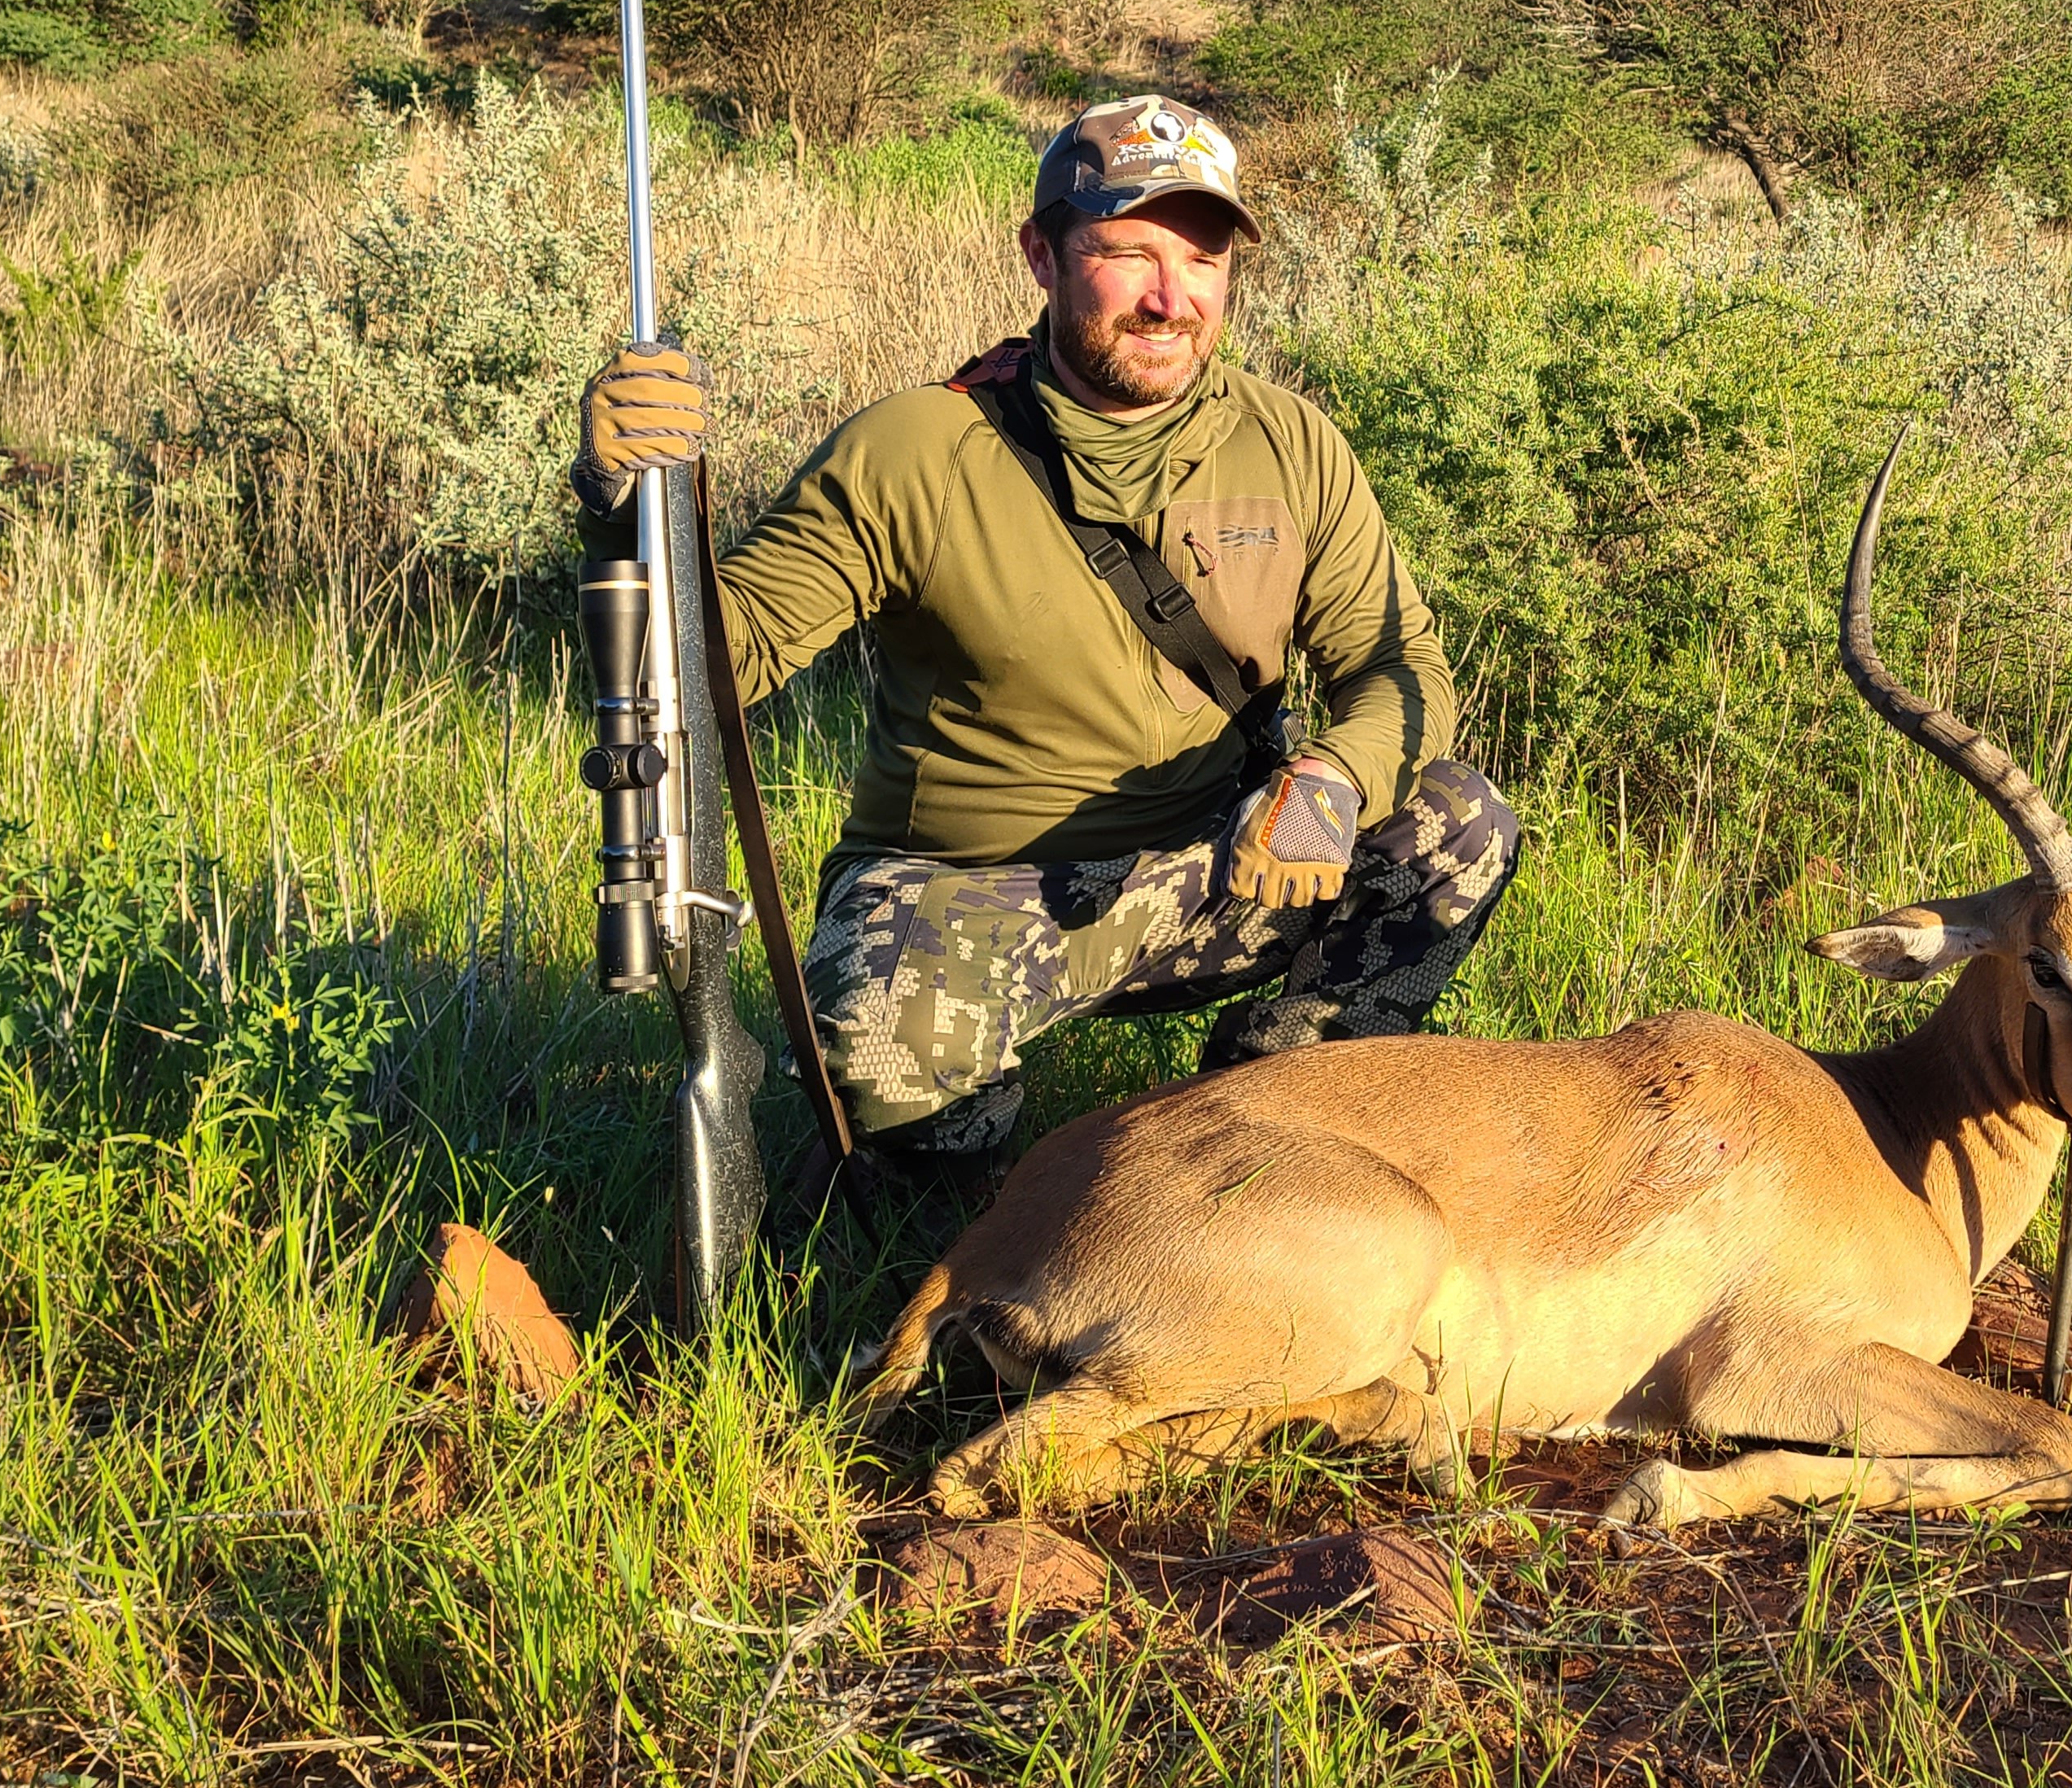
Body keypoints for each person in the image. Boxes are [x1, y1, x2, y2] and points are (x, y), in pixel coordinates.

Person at [574, 94, 1521, 1183]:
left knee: (1459, 824)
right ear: (1043, 254)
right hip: (983, 892)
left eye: (1204, 262)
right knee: (889, 1042)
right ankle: (956, 1211)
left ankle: (1274, 1123)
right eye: (1127, 253)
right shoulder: (914, 451)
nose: (1172, 300)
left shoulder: (1289, 438)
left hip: (1225, 862)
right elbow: (701, 669)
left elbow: (1399, 663)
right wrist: (619, 505)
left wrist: (1335, 780)